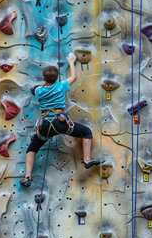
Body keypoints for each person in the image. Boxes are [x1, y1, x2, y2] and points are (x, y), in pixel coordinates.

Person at [20, 53, 100, 187]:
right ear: (57, 78)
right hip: (61, 122)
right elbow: (74, 77)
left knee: (32, 148)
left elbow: (34, 89)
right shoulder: (61, 85)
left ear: (43, 78)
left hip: (45, 125)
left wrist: (42, 84)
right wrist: (71, 61)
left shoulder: (39, 91)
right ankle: (86, 160)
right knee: (86, 132)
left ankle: (27, 177)